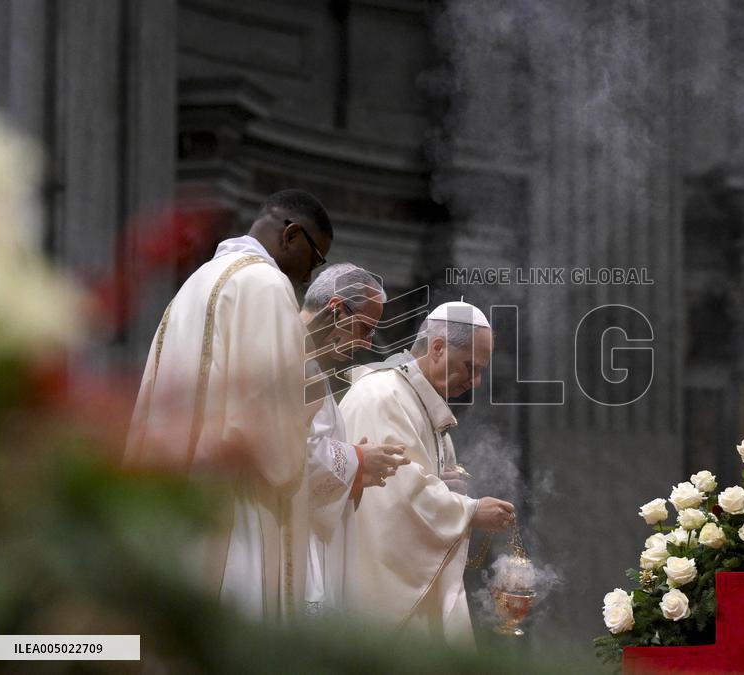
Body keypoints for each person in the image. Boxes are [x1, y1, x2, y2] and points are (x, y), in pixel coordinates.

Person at [125, 189, 333, 622]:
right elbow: (267, 429)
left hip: (180, 502)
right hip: (236, 509)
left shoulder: (197, 281)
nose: (308, 278)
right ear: (291, 235)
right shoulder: (266, 284)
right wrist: (303, 427)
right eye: (315, 261)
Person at [339, 301, 515, 646]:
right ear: (437, 348)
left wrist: (449, 492)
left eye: (480, 371)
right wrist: (470, 509)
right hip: (381, 595)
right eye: (470, 367)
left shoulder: (428, 412)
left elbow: (420, 484)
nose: (475, 381)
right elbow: (394, 496)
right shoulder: (381, 396)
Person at [299, 263, 410, 616]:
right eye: (363, 328)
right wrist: (357, 460)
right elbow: (286, 454)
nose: (364, 343)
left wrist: (356, 468)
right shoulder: (287, 356)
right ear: (335, 308)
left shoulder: (310, 363)